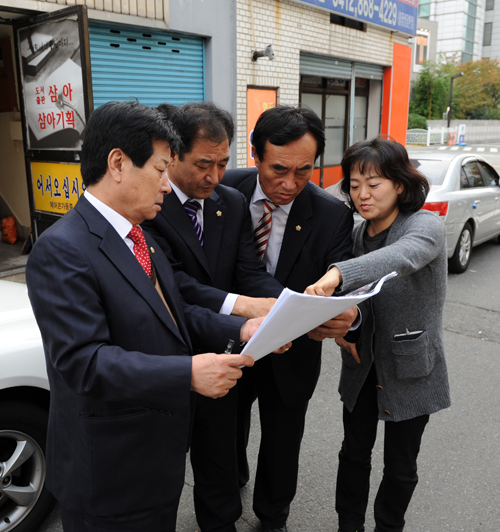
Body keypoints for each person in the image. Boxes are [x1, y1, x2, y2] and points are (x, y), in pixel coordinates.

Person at [26, 101, 264, 532]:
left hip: (156, 459)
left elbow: (176, 315)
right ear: (118, 163)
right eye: (159, 170)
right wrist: (188, 373)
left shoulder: (139, 237)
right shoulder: (63, 249)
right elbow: (85, 361)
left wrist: (242, 326)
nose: (166, 186)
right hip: (110, 471)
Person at [142, 101, 284, 532]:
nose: (215, 177)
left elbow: (249, 272)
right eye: (204, 164)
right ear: (173, 156)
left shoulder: (231, 203)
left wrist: (287, 305)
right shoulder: (149, 205)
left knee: (220, 468)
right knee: (159, 474)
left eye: (223, 163)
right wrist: (240, 308)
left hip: (223, 360)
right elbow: (174, 283)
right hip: (170, 359)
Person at [305, 137, 451, 532]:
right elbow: (359, 304)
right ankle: (348, 525)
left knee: (401, 466)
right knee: (353, 454)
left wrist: (338, 272)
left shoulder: (424, 225)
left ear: (399, 184)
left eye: (374, 183)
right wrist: (345, 325)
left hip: (410, 366)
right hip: (361, 364)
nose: (362, 195)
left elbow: (401, 257)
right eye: (354, 185)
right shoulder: (354, 235)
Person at [222, 105, 357, 532]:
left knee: (282, 442)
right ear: (256, 154)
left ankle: (272, 515)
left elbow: (344, 279)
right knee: (225, 432)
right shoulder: (226, 190)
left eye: (304, 171)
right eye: (279, 169)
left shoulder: (332, 213)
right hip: (230, 341)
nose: (290, 183)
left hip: (293, 350)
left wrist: (347, 315)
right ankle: (230, 488)